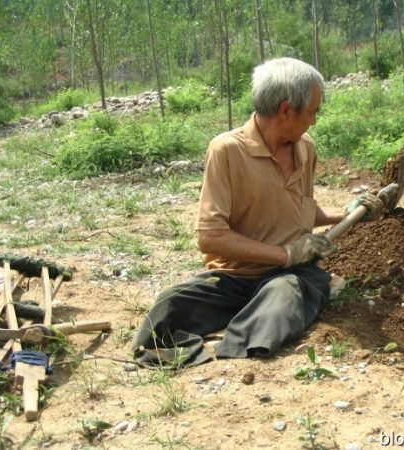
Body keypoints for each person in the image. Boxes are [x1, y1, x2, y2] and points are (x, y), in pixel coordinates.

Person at [132, 58, 383, 367]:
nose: (314, 121)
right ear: (287, 110)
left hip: (291, 275)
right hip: (234, 277)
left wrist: (343, 213)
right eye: (312, 112)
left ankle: (232, 345)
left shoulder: (306, 147)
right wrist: (287, 253)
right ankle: (236, 325)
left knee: (283, 296)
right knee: (168, 308)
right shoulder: (227, 151)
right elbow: (210, 237)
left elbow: (300, 207)